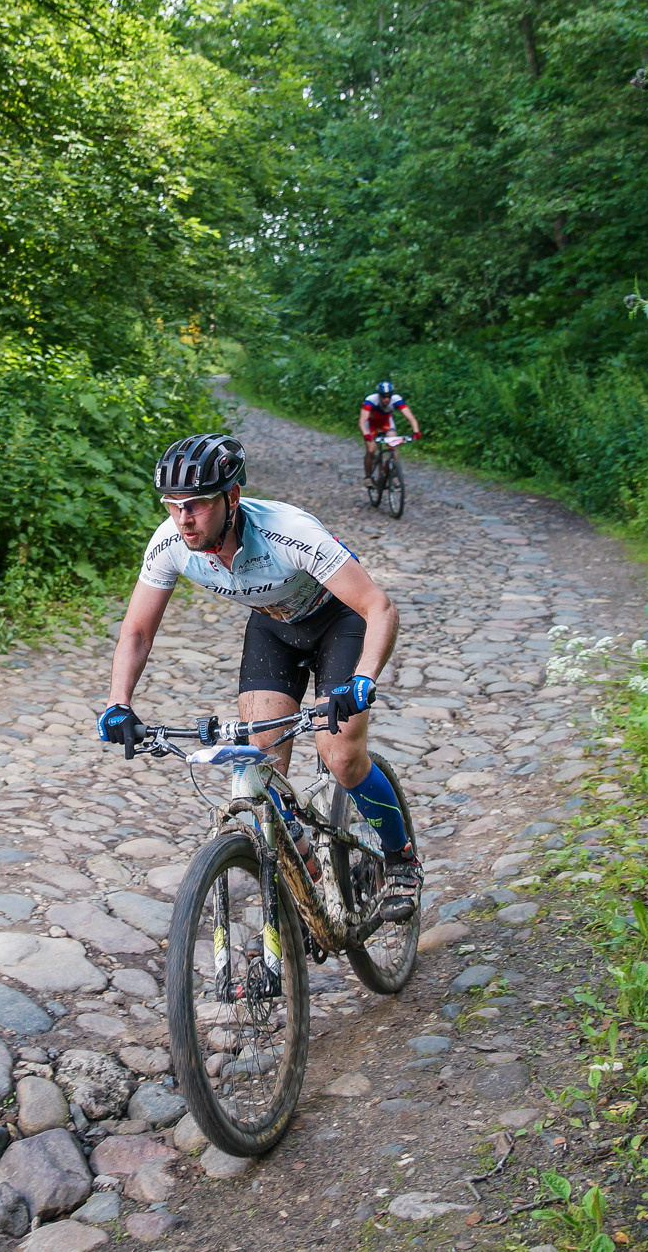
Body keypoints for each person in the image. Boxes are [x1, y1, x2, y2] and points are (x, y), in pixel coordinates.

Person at [96, 433, 422, 916]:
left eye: (198, 505)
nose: (184, 519)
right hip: (274, 630)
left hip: (339, 622)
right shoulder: (170, 543)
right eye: (173, 505)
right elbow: (138, 632)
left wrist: (364, 680)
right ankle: (305, 876)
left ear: (232, 498)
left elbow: (379, 606)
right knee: (261, 762)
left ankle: (400, 859)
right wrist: (118, 703)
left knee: (340, 756)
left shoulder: (288, 531)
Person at [360, 381, 421, 486]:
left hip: (385, 422)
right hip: (371, 423)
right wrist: (366, 434)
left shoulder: (396, 400)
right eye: (383, 397)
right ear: (379, 395)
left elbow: (410, 417)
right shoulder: (371, 400)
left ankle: (394, 474)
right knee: (371, 449)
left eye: (388, 396)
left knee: (394, 445)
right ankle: (368, 476)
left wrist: (416, 431)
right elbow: (362, 420)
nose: (386, 399)